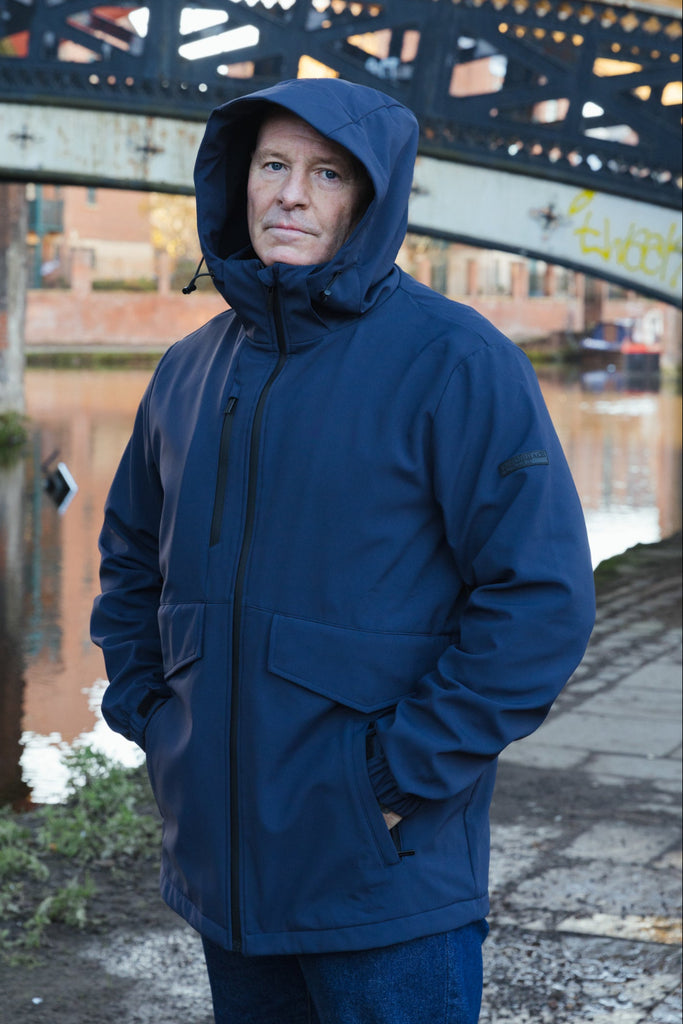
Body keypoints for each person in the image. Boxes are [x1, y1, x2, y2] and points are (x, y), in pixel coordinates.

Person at [91, 77, 595, 1023]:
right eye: (272, 165)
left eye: (326, 174)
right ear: (237, 181)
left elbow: (539, 599)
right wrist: (152, 715)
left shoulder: (456, 360)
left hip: (383, 878)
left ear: (368, 198)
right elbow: (129, 560)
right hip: (224, 872)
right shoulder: (189, 369)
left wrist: (395, 776)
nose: (291, 194)